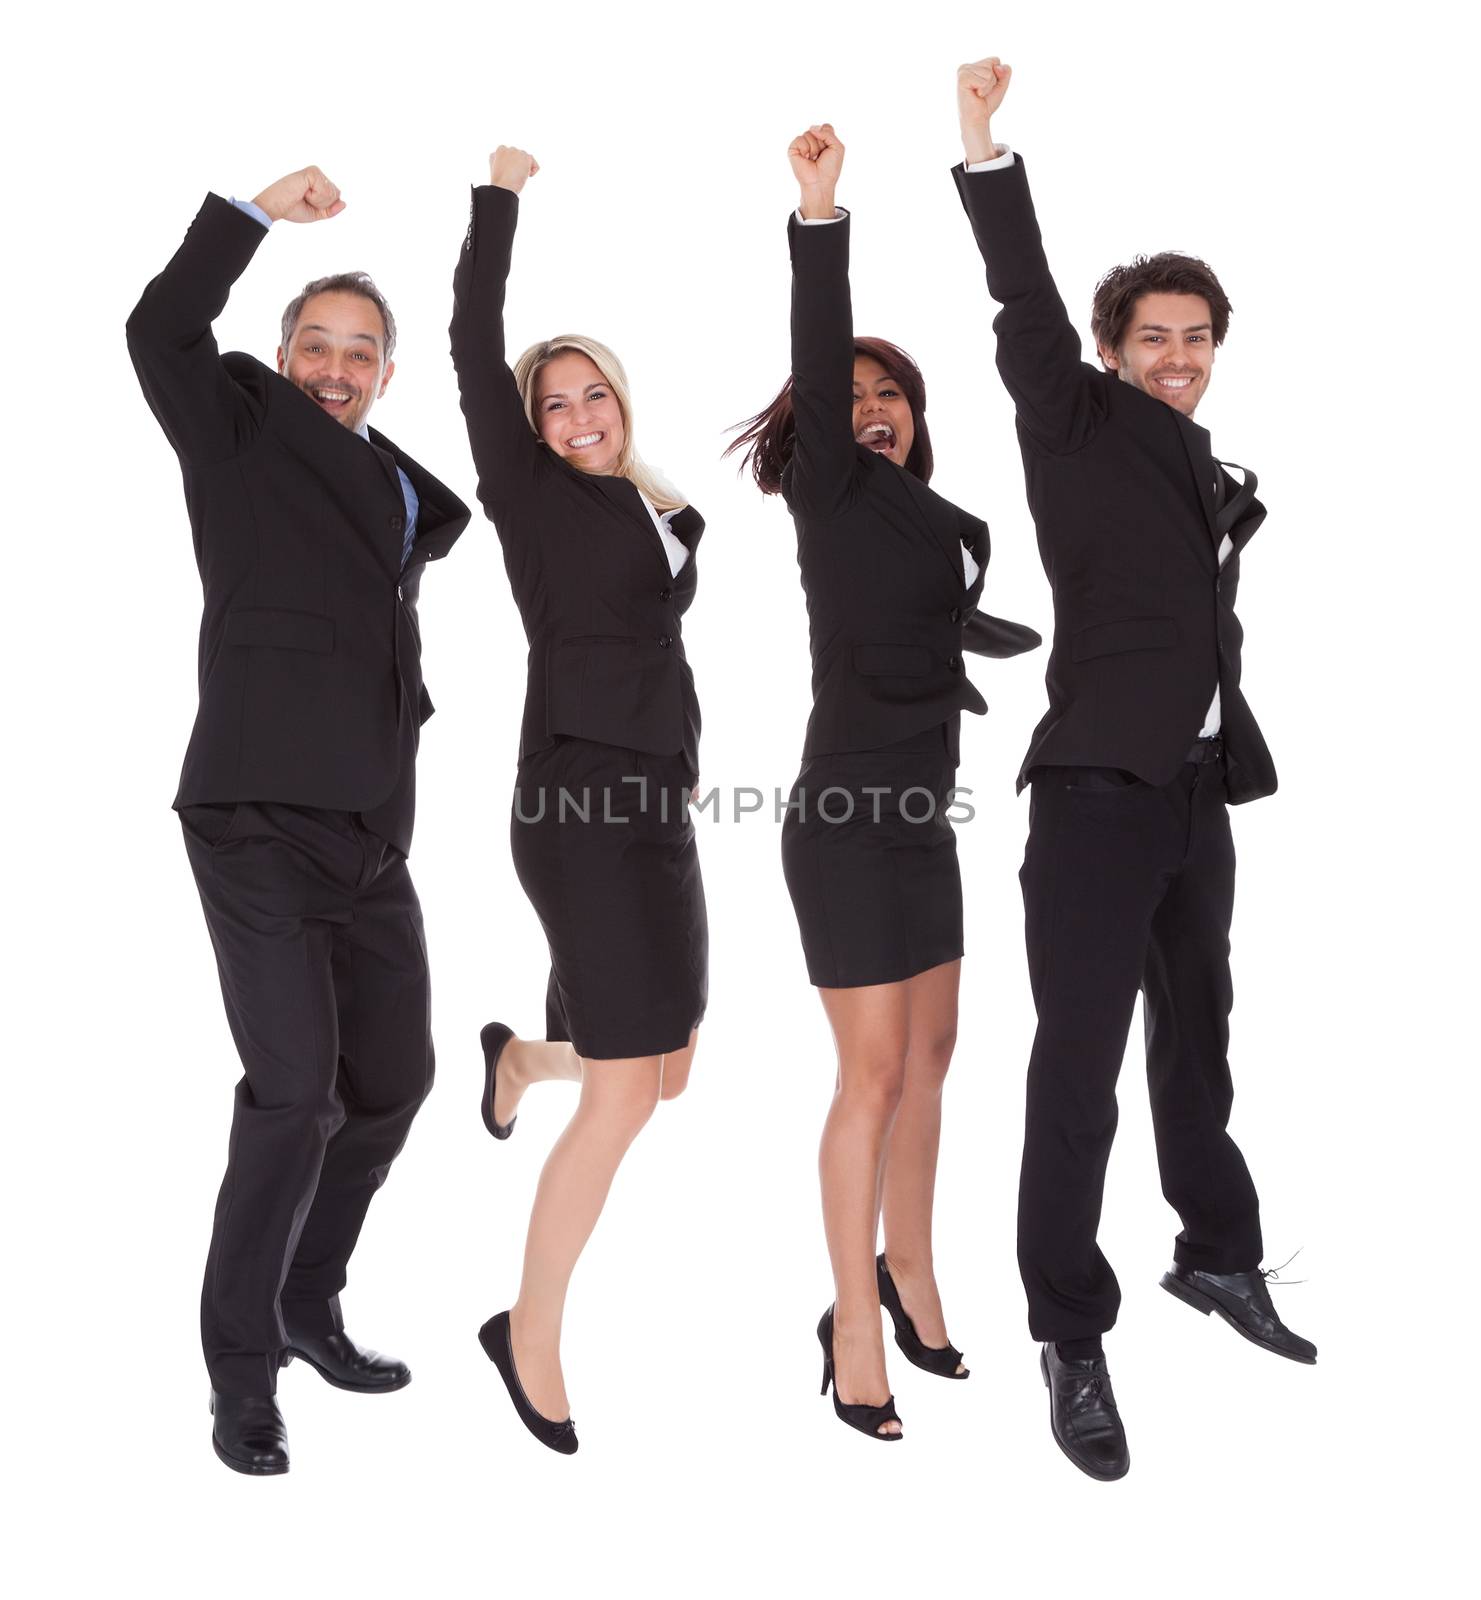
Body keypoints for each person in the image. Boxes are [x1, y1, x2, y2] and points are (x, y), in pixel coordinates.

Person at [951, 59, 1316, 1481]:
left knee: (1199, 1045)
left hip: (1189, 796)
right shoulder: (1077, 418)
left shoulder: (1197, 453)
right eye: (1153, 334)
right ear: (1110, 349)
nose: (1176, 352)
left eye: (1196, 336)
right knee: (1078, 1075)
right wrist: (984, 149)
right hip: (1095, 795)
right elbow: (1020, 298)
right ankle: (1067, 1330)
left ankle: (1214, 1255)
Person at [126, 166, 469, 1475]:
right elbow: (159, 330)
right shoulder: (239, 434)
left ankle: (304, 1298)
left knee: (390, 1083)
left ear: (385, 373)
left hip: (371, 830)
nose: (336, 368)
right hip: (256, 815)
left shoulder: (391, 488)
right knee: (291, 1096)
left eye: (359, 354)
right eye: (316, 346)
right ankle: (241, 1373)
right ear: (280, 357)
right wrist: (248, 218)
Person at [730, 125, 1038, 1441]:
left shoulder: (924, 520)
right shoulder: (835, 495)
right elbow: (819, 356)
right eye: (848, 394)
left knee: (934, 1056)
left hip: (921, 823)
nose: (870, 405)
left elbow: (910, 620)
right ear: (820, 428)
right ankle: (849, 1322)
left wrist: (982, 636)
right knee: (866, 1076)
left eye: (890, 394)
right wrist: (817, 213)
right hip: (845, 823)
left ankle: (911, 1266)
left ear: (918, 418)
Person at [449, 146, 707, 1455]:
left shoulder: (655, 508)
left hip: (658, 806)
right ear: (531, 424)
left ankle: (514, 1059)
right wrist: (498, 200)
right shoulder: (530, 496)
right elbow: (466, 334)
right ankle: (527, 1330)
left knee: (660, 1071)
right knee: (619, 1096)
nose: (579, 413)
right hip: (576, 804)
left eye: (593, 392)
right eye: (554, 403)